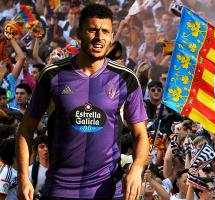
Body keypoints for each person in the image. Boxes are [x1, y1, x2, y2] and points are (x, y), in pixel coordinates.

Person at [16, 4, 149, 200]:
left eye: (105, 31)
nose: (99, 37)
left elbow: (141, 135)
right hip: (60, 191)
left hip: (108, 192)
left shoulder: (125, 78)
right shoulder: (53, 75)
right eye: (92, 30)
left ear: (112, 36)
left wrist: (137, 168)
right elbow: (26, 128)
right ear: (79, 33)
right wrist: (24, 178)